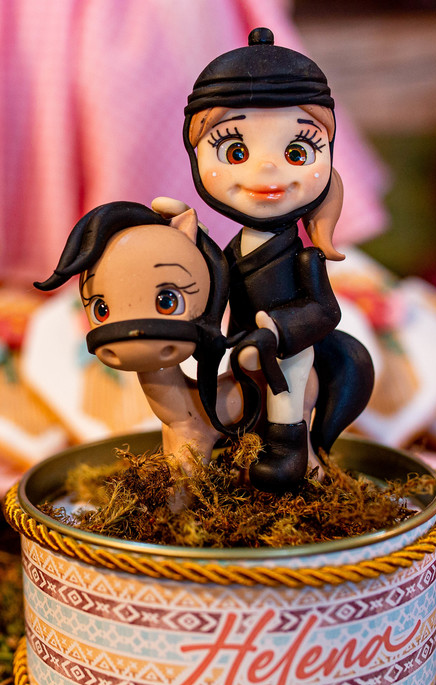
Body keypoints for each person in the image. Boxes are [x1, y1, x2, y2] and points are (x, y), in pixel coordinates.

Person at [171, 26, 374, 492]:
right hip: (240, 351)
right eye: (236, 151)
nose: (267, 170)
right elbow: (212, 288)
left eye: (297, 152)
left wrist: (278, 330)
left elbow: (325, 310)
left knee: (293, 370)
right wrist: (181, 238)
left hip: (283, 349)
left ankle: (288, 441)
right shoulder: (231, 251)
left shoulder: (304, 258)